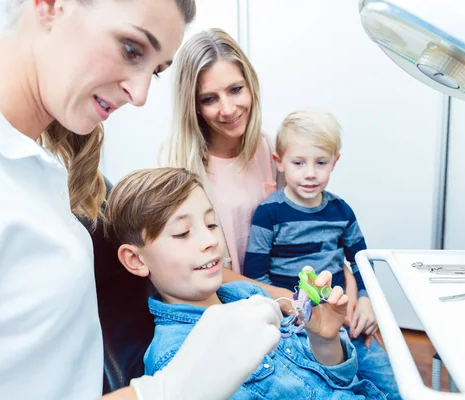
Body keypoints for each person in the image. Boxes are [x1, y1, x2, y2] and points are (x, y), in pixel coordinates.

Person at [0, 1, 283, 399]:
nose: (139, 94)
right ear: (50, 6)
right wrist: (167, 390)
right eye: (131, 49)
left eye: (155, 70)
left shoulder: (37, 165)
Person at [103, 167, 387, 400]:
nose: (210, 241)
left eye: (212, 224)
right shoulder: (175, 359)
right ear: (136, 260)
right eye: (182, 233)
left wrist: (324, 341)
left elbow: (339, 381)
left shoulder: (248, 295)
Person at [163, 28, 358, 307]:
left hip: (292, 299)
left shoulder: (271, 150)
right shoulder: (181, 169)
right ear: (193, 105)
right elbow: (202, 269)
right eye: (209, 98)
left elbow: (314, 229)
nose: (228, 109)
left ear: (251, 86)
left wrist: (352, 293)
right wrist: (297, 301)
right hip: (231, 305)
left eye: (235, 89)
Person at [244, 109, 401, 399]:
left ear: (334, 162)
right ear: (280, 163)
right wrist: (291, 317)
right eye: (299, 163)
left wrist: (366, 301)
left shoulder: (341, 211)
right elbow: (255, 277)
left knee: (392, 385)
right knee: (328, 387)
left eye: (321, 162)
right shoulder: (269, 214)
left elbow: (360, 261)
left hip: (346, 319)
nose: (310, 173)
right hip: (293, 327)